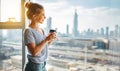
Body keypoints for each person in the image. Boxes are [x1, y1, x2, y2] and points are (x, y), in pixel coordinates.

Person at [24, 2, 56, 71]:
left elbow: (43, 47)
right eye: (43, 14)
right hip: (34, 66)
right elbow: (34, 52)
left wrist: (50, 40)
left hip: (43, 64)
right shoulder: (28, 31)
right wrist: (46, 40)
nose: (45, 17)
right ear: (34, 16)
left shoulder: (41, 29)